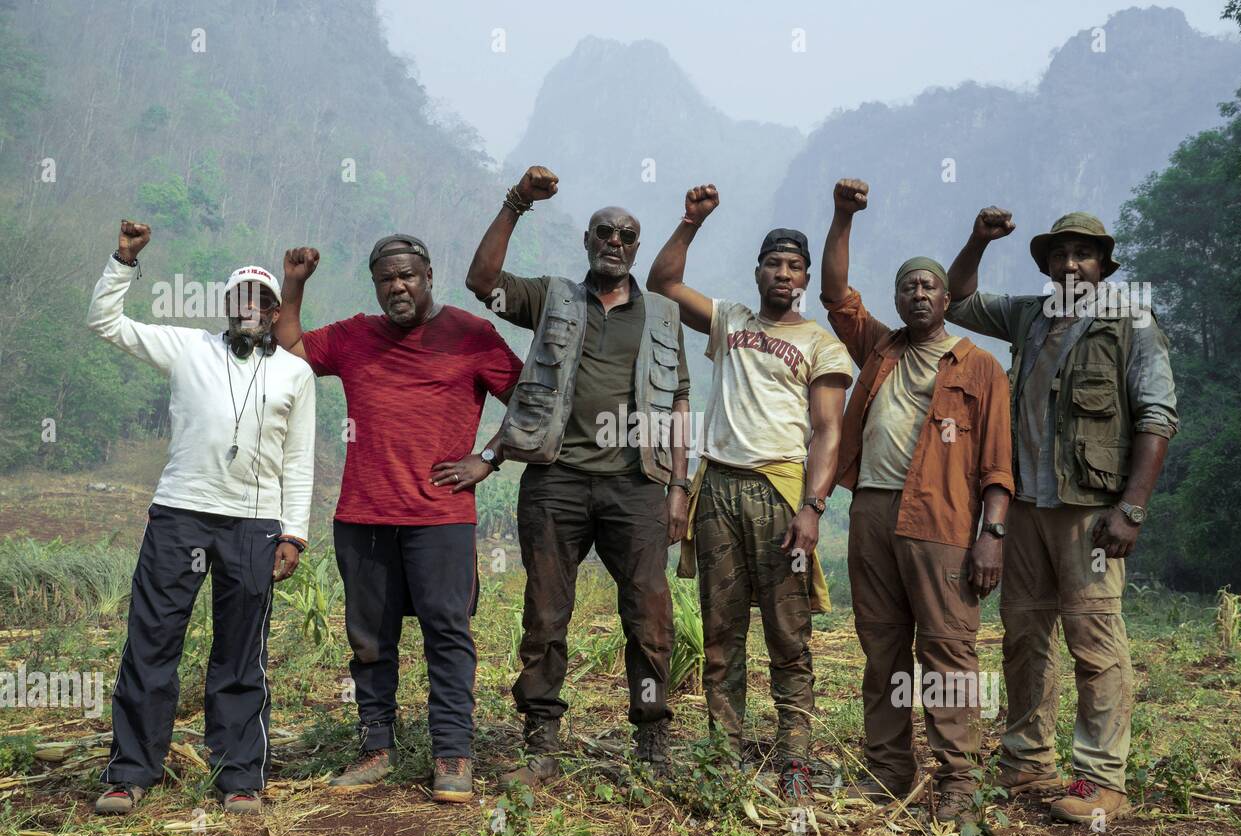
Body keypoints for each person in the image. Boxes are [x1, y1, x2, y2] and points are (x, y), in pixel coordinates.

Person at [946, 208, 1178, 824]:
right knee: (1024, 637)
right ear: (1046, 263)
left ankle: (1102, 779)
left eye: (1082, 254)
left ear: (1102, 264)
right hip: (1024, 507)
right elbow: (958, 300)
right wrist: (978, 239)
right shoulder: (1029, 314)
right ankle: (1027, 760)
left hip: (1090, 511)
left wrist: (1131, 509)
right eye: (1059, 254)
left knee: (1094, 638)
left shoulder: (1132, 322)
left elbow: (1156, 417)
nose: (1070, 264)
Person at [273, 234, 522, 803]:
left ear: (429, 275)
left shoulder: (471, 334)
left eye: (407, 276)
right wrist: (295, 284)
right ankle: (376, 749)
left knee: (447, 634)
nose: (398, 287)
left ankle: (453, 754)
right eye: (386, 279)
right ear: (376, 284)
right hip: (363, 516)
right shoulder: (356, 335)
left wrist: (487, 458)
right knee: (370, 641)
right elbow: (290, 348)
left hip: (440, 517)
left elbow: (532, 398)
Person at [465, 166, 692, 786]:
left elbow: (678, 405)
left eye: (626, 234)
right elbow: (482, 281)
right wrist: (517, 203)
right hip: (556, 479)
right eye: (603, 232)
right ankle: (540, 742)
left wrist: (679, 489)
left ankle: (652, 739)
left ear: (636, 248)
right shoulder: (554, 298)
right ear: (588, 242)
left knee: (649, 613)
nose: (614, 241)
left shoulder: (664, 317)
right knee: (544, 611)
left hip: (638, 484)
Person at [92, 219, 316, 816]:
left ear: (272, 313)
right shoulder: (188, 348)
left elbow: (299, 460)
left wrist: (294, 532)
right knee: (152, 641)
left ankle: (239, 776)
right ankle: (131, 771)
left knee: (241, 652)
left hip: (254, 524)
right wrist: (124, 260)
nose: (250, 307)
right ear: (227, 306)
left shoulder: (295, 373)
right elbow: (105, 323)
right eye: (240, 296)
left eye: (262, 300)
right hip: (180, 516)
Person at [647, 183, 851, 804]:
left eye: (794, 266)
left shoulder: (821, 343)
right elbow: (662, 283)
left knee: (789, 635)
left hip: (782, 493)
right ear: (757, 270)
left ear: (807, 276)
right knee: (721, 632)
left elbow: (827, 432)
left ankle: (796, 760)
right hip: (720, 492)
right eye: (773, 263)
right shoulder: (731, 319)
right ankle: (722, 756)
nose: (782, 274)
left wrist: (813, 508)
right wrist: (691, 222)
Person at [820, 179, 1013, 824]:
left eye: (930, 285)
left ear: (947, 296)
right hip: (872, 511)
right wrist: (843, 217)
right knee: (880, 645)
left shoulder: (978, 364)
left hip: (944, 519)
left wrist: (992, 534)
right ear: (898, 297)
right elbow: (835, 296)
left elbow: (997, 462)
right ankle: (888, 771)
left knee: (948, 647)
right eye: (908, 286)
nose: (919, 294)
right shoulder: (880, 347)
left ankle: (958, 781)